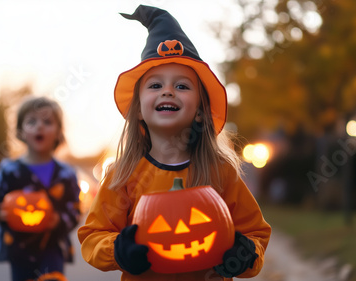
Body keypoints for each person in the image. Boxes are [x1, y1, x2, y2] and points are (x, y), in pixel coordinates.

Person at [78, 5, 271, 281]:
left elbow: (256, 233)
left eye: (182, 86)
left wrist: (245, 254)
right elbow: (93, 235)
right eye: (155, 86)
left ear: (201, 110)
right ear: (138, 110)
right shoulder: (123, 176)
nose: (168, 90)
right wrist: (117, 251)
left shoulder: (220, 172)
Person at [0, 96, 81, 281]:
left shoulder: (66, 174)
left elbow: (75, 210)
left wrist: (59, 220)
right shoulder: (9, 171)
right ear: (20, 131)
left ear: (59, 132)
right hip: (19, 249)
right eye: (32, 122)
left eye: (47, 122)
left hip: (54, 248)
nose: (40, 126)